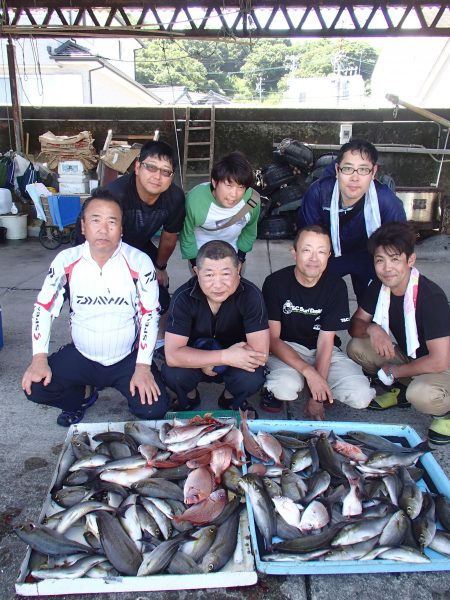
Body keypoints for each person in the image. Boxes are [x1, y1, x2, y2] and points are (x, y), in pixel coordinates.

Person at [22, 189, 170, 427]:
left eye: (112, 222)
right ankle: (82, 396)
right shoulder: (66, 260)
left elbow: (150, 315)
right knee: (36, 387)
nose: (103, 229)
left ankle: (138, 377)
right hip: (82, 354)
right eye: (95, 220)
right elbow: (43, 308)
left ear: (121, 228)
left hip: (127, 358)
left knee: (154, 409)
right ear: (83, 227)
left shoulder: (139, 261)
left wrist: (143, 367)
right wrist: (38, 358)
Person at [347, 221, 450, 444]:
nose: (387, 268)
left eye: (395, 259)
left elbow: (440, 361)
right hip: (413, 357)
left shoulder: (431, 297)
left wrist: (396, 369)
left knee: (421, 394)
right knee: (357, 346)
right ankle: (400, 391)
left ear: (410, 260)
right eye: (380, 260)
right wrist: (373, 328)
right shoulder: (379, 286)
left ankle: (445, 413)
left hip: (443, 367)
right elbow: (355, 325)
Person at [261, 225, 375, 418]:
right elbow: (272, 338)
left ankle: (322, 387)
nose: (314, 258)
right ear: (294, 253)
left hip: (324, 350)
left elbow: (325, 341)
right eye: (307, 250)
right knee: (283, 388)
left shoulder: (336, 286)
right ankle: (283, 386)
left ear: (328, 256)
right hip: (287, 348)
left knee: (361, 396)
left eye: (321, 252)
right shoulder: (275, 282)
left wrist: (317, 398)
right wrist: (311, 373)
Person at [76, 140, 185, 312]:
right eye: (151, 167)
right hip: (99, 246)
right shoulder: (114, 195)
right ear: (137, 167)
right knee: (98, 297)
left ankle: (156, 338)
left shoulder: (175, 198)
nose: (157, 177)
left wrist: (160, 267)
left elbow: (170, 236)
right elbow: (92, 235)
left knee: (160, 299)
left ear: (171, 177)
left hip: (139, 245)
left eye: (165, 171)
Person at [162, 240, 269, 413]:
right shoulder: (183, 297)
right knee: (173, 373)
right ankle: (189, 397)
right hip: (197, 361)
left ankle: (230, 398)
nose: (218, 285)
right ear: (196, 272)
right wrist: (219, 358)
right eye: (209, 275)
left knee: (253, 375)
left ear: (238, 269)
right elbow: (173, 355)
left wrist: (223, 359)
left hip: (236, 362)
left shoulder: (251, 296)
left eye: (226, 274)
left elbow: (260, 354)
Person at [297, 139, 406, 302]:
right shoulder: (319, 193)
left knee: (376, 305)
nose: (355, 178)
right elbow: (307, 238)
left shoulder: (386, 201)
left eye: (363, 170)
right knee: (310, 293)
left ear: (373, 171)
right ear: (337, 169)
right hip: (331, 253)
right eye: (348, 169)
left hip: (369, 255)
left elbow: (400, 246)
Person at [180, 151, 259, 268]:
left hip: (234, 252)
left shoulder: (252, 201)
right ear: (214, 182)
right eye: (229, 185)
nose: (234, 195)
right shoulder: (195, 201)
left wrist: (240, 258)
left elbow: (250, 231)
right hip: (201, 252)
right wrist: (194, 264)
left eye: (241, 187)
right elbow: (187, 235)